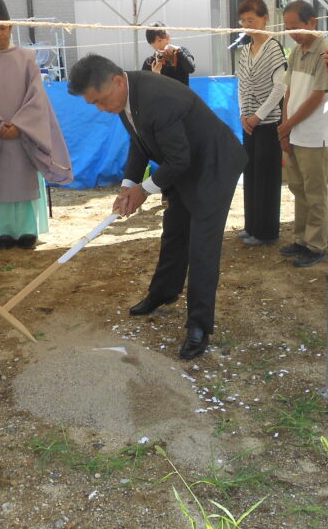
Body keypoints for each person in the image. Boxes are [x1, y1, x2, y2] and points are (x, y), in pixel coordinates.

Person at [67, 54, 246, 360]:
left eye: (100, 100)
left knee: (202, 246)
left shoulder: (157, 97)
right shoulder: (124, 96)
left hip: (213, 165)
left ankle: (199, 325)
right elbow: (140, 143)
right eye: (93, 104)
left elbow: (179, 159)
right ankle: (163, 293)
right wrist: (128, 186)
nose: (100, 108)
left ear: (116, 81)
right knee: (174, 230)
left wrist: (143, 191)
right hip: (183, 164)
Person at [0, 0, 73, 250]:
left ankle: (28, 230)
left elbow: (36, 96)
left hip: (24, 136)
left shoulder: (27, 58)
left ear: (10, 27)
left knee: (24, 180)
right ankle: (3, 232)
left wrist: (20, 125)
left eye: (3, 27)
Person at [277, 0, 328, 268]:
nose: (292, 33)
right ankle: (301, 238)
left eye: (296, 27)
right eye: (288, 28)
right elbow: (288, 91)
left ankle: (317, 244)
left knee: (315, 191)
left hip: (315, 134)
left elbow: (318, 96)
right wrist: (285, 126)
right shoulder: (297, 51)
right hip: (295, 131)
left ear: (312, 22)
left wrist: (288, 125)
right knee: (298, 187)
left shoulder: (325, 50)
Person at [235, 0, 288, 247]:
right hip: (249, 123)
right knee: (251, 174)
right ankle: (252, 225)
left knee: (266, 177)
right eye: (244, 21)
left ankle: (266, 231)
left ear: (265, 19)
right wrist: (243, 114)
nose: (247, 25)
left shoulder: (274, 47)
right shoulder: (245, 50)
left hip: (268, 123)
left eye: (251, 20)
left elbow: (279, 88)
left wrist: (258, 116)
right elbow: (241, 84)